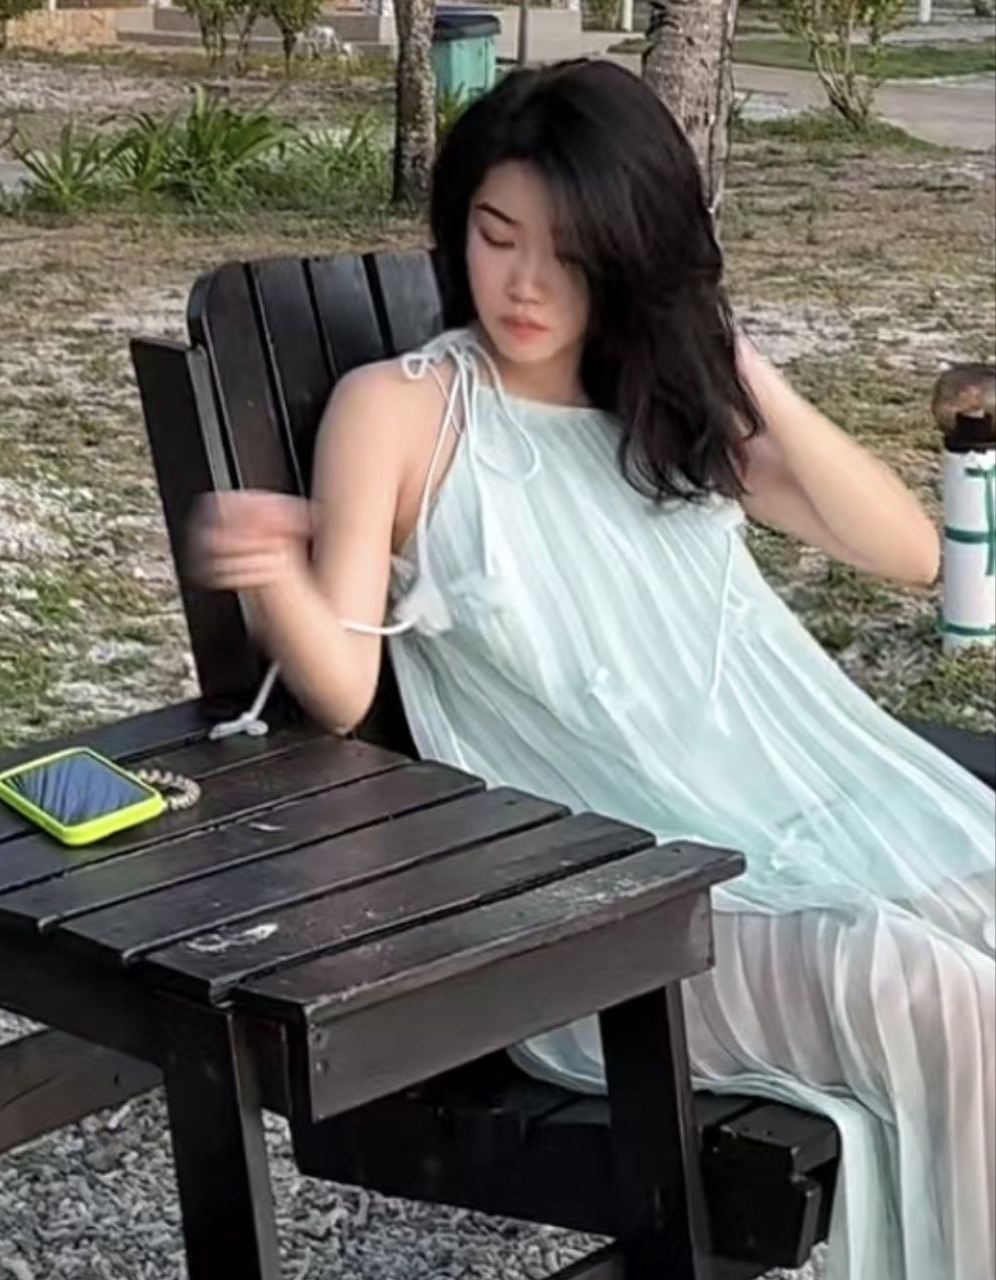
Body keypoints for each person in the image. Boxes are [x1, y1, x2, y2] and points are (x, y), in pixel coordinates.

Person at [191, 60, 995, 1280]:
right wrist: (272, 576)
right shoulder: (402, 411)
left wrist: (738, 365)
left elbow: (904, 551)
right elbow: (344, 688)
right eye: (495, 235)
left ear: (629, 257)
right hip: (613, 921)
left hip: (788, 829)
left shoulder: (657, 410)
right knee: (929, 992)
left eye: (570, 254)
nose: (524, 283)